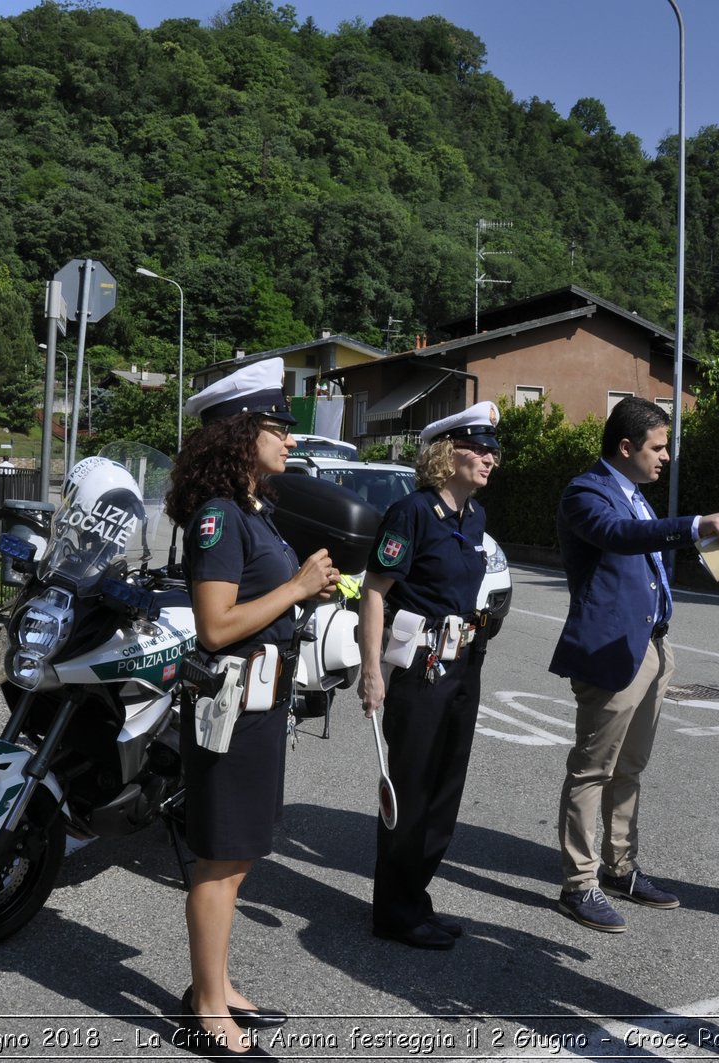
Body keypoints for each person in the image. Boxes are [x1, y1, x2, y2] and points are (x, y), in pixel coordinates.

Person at [165, 357, 338, 1058]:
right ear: (241, 432)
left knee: (241, 855)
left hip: (262, 704)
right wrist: (298, 586)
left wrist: (308, 591)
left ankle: (219, 981)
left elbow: (262, 604)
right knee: (220, 858)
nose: (290, 439)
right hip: (232, 708)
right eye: (278, 425)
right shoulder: (217, 517)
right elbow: (214, 626)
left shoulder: (252, 511)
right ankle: (207, 1008)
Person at [549, 396, 719, 931]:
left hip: (652, 648)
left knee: (630, 769)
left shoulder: (635, 495)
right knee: (593, 769)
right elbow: (617, 537)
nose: (666, 458)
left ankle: (620, 866)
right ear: (626, 446)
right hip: (612, 654)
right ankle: (580, 883)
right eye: (658, 448)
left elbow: (676, 550)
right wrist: (696, 522)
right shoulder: (587, 493)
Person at [358, 400, 501, 951]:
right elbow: (375, 591)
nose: (491, 458)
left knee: (445, 791)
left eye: (493, 450)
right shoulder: (411, 513)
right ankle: (392, 912)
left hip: (465, 662)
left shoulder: (475, 517)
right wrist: (373, 671)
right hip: (419, 668)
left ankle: (415, 898)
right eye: (481, 448)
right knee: (412, 789)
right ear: (449, 452)